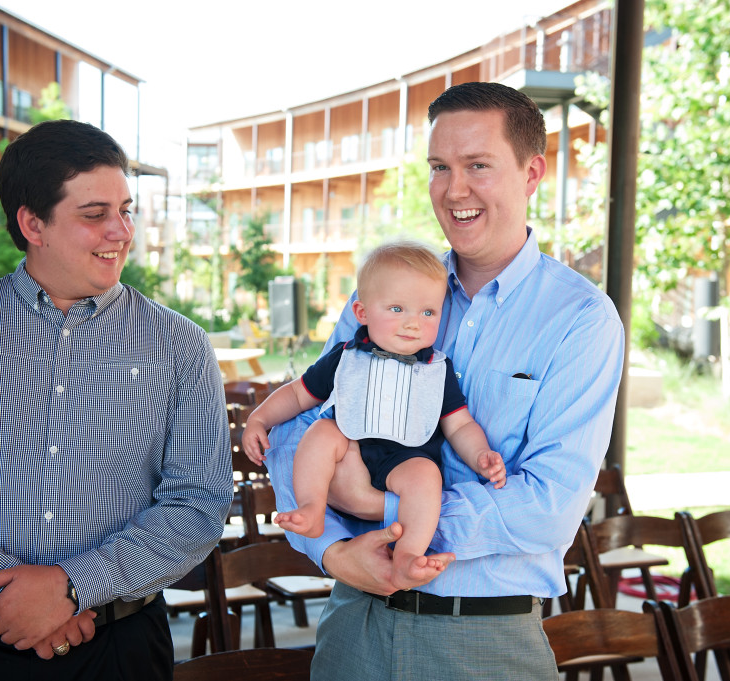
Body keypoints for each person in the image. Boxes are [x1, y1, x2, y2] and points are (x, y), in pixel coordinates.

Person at [263, 82, 625, 680]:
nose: (454, 190)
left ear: (532, 172)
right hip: (356, 622)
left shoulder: (580, 319)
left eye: (477, 166)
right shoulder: (382, 294)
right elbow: (300, 429)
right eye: (439, 167)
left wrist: (378, 509)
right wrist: (331, 549)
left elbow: (550, 508)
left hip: (486, 641)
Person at [0, 119, 232, 681]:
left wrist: (69, 588)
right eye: (95, 214)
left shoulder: (178, 343)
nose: (121, 230)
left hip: (122, 650)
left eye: (127, 209)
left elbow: (200, 503)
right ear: (32, 223)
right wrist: (12, 598)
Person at [241, 241, 505, 588]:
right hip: (348, 448)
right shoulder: (346, 357)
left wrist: (480, 454)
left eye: (428, 312)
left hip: (405, 459)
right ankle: (312, 506)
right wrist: (259, 419)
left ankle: (409, 552)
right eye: (397, 308)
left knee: (427, 477)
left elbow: (460, 424)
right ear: (362, 313)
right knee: (321, 432)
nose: (414, 323)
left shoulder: (437, 370)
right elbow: (297, 394)